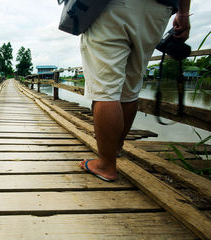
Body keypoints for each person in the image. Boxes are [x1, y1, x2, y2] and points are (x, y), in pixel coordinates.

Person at [79, 0, 191, 181]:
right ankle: (115, 148)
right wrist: (184, 14)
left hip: (111, 6)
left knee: (106, 90)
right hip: (159, 10)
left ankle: (106, 165)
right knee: (130, 88)